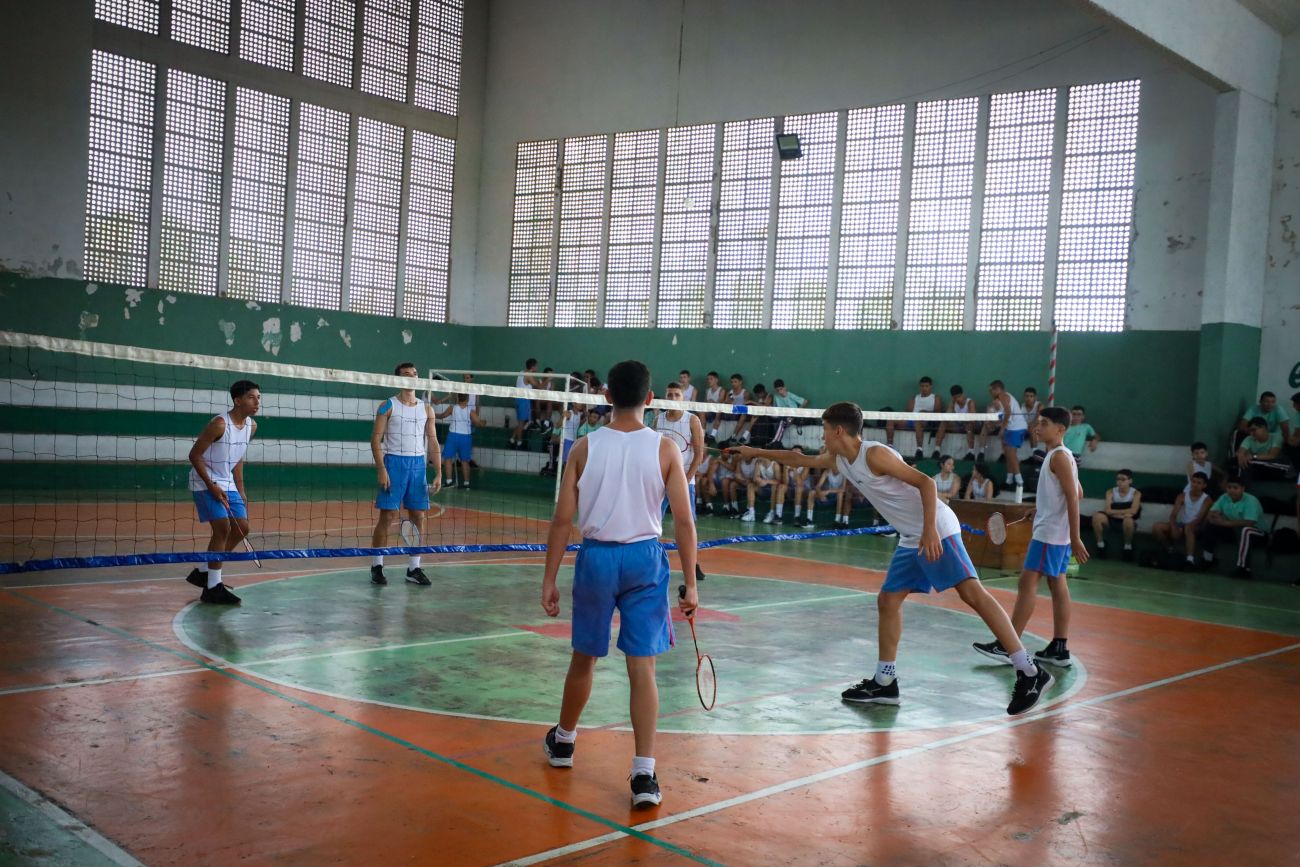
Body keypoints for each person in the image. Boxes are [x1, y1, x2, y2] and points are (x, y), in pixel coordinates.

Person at [735, 403, 1055, 715]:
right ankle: (885, 681)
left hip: (936, 527)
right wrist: (753, 452)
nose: (822, 436)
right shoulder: (840, 459)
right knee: (888, 600)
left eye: (824, 430)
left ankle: (1029, 671)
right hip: (911, 536)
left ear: (839, 431)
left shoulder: (874, 454)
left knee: (972, 594)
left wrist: (929, 531)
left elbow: (926, 483)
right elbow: (799, 459)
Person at [540, 360, 698, 810]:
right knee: (642, 667)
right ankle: (644, 774)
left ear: (606, 396)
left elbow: (562, 520)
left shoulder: (584, 447)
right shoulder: (666, 449)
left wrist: (549, 579)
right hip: (645, 560)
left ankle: (564, 742)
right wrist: (691, 583)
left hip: (597, 560)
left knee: (584, 657)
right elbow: (684, 522)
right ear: (650, 399)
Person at [972, 407, 1088, 670]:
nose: (1038, 427)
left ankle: (1008, 645)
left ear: (1061, 429)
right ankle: (1059, 648)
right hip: (1055, 532)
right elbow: (1076, 492)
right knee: (1057, 585)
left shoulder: (1059, 457)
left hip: (1050, 534)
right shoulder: (1062, 455)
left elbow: (1073, 498)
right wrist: (1042, 507)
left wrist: (1076, 536)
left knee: (1027, 583)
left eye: (1044, 423)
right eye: (1038, 423)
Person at [185, 379, 261, 605]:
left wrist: (240, 488)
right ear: (237, 400)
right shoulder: (219, 424)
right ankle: (213, 587)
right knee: (222, 528)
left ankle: (203, 571)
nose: (257, 402)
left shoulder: (251, 426)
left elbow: (238, 457)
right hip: (204, 481)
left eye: (258, 397)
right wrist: (212, 486)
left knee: (242, 528)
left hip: (226, 481)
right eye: (251, 397)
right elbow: (194, 455)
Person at [370, 362, 442, 587]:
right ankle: (377, 566)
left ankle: (414, 568)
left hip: (418, 465)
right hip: (394, 464)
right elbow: (375, 440)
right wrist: (382, 469)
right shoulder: (387, 406)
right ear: (398, 379)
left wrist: (439, 472)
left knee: (418, 516)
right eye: (406, 374)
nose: (411, 377)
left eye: (414, 374)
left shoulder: (427, 409)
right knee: (387, 517)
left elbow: (433, 441)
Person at [1201, 477, 1269, 579]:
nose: (1232, 490)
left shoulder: (1251, 500)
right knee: (1211, 526)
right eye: (1229, 487)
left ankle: (1244, 569)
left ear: (1242, 489)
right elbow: (1211, 515)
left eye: (1235, 488)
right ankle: (1208, 560)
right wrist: (1215, 519)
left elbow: (1250, 522)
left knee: (1246, 530)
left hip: (1258, 534)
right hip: (1235, 530)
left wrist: (1224, 522)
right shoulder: (1224, 497)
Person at [1153, 472, 1212, 569]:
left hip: (1197, 526)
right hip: (1182, 524)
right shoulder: (1182, 496)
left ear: (1204, 485)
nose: (1195, 485)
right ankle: (1170, 549)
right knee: (1157, 527)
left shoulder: (1207, 499)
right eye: (1193, 482)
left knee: (1189, 527)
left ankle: (1190, 560)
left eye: (1199, 483)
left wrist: (1185, 527)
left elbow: (1199, 518)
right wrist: (1174, 527)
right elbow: (1173, 515)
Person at [886, 376, 944, 460]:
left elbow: (938, 413)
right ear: (920, 387)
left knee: (918, 422)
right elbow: (907, 413)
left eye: (926, 386)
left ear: (931, 386)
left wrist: (925, 412)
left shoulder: (935, 398)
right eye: (922, 386)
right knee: (890, 420)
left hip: (926, 422)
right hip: (912, 420)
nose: (924, 388)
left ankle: (919, 450)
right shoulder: (914, 398)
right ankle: (889, 446)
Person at [1090, 469, 1142, 560]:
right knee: (1097, 517)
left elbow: (1133, 511)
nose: (1120, 482)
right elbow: (1107, 510)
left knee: (1128, 521)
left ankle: (1127, 547)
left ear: (1130, 481)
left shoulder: (1136, 493)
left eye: (1123, 479)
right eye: (1118, 479)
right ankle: (1100, 545)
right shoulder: (1110, 492)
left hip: (1126, 521)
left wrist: (1115, 512)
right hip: (1112, 519)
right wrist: (1123, 514)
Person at [987, 380, 1028, 489]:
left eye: (991, 390)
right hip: (1010, 428)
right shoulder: (998, 401)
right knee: (1007, 454)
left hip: (1016, 428)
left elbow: (1008, 413)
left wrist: (1002, 429)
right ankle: (1009, 480)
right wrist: (994, 424)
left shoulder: (1003, 396)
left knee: (1011, 454)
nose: (990, 393)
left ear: (997, 389)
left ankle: (1019, 481)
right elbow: (1005, 417)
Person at [436, 392, 483, 489]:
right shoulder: (470, 411)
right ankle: (466, 483)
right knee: (465, 460)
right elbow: (478, 423)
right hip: (465, 437)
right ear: (467, 399)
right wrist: (484, 422)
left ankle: (449, 481)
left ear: (457, 398)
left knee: (448, 458)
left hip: (453, 436)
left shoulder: (452, 408)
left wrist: (432, 413)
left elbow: (442, 415)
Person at [935, 384, 977, 460]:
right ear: (953, 397)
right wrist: (952, 405)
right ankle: (936, 450)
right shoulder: (953, 403)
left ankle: (971, 452)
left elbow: (973, 419)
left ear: (963, 394)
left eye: (959, 396)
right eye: (955, 398)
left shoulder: (970, 402)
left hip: (970, 425)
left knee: (969, 426)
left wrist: (965, 422)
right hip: (958, 425)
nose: (958, 399)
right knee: (943, 423)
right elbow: (947, 416)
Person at [803, 459, 848, 527]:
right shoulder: (827, 472)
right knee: (812, 493)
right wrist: (820, 494)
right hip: (827, 495)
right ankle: (809, 520)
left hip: (835, 496)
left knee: (840, 494)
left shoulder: (844, 472)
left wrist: (829, 491)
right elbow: (818, 486)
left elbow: (843, 489)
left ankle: (837, 520)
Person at [510, 358, 540, 450]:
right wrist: (548, 380)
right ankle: (519, 443)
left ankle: (512, 439)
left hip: (519, 399)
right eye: (537, 366)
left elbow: (533, 383)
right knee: (522, 422)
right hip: (523, 400)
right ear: (533, 366)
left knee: (523, 421)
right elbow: (538, 386)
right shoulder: (528, 375)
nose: (537, 367)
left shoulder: (522, 372)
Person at [770, 379, 809, 444]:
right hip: (782, 416)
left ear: (785, 388)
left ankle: (775, 441)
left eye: (781, 389)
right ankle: (774, 441)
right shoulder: (776, 397)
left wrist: (797, 412)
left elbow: (805, 401)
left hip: (793, 416)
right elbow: (775, 408)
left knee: (783, 421)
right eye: (777, 390)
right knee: (774, 419)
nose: (780, 392)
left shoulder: (790, 395)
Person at [726, 373, 752, 445]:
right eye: (732, 382)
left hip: (740, 411)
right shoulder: (730, 392)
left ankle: (734, 435)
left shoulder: (745, 393)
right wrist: (728, 401)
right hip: (731, 410)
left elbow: (746, 404)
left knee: (744, 414)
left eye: (735, 382)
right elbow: (725, 402)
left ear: (740, 382)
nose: (733, 384)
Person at [703, 371, 726, 443]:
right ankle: (703, 433)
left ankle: (713, 434)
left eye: (711, 379)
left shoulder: (721, 390)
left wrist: (712, 402)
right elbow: (705, 403)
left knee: (718, 411)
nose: (709, 381)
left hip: (717, 410)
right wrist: (708, 402)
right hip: (708, 410)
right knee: (701, 412)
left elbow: (720, 402)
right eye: (708, 379)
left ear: (716, 380)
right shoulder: (707, 391)